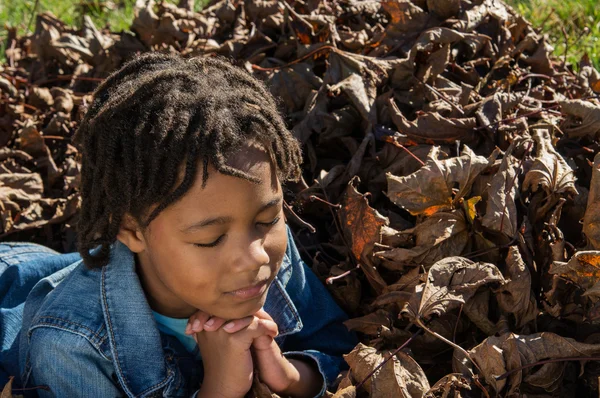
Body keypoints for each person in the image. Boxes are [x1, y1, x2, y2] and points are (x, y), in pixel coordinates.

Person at [0, 52, 357, 397]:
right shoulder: (68, 344)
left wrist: (290, 376)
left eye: (267, 219)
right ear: (131, 231)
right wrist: (219, 389)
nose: (255, 257)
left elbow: (339, 348)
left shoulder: (261, 242)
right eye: (211, 239)